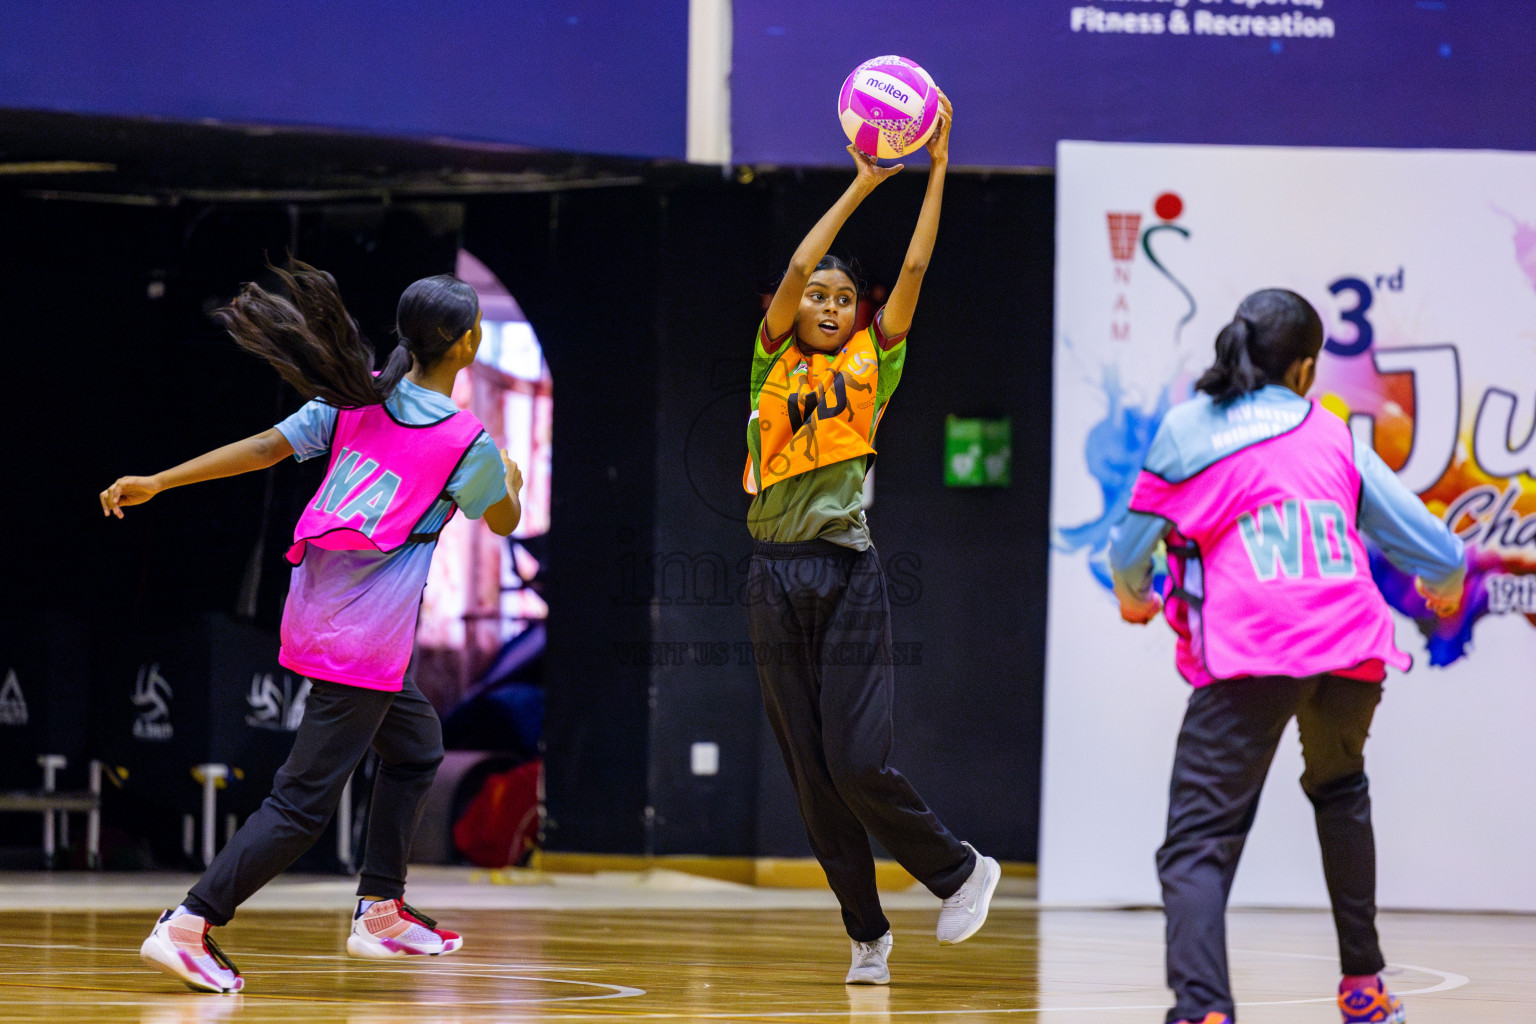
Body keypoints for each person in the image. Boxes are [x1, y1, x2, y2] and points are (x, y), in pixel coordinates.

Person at [100, 261, 523, 994]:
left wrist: (161, 480)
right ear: (468, 342)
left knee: (417, 746)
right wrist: (509, 476)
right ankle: (189, 924)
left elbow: (265, 448)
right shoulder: (464, 440)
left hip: (320, 616)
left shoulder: (357, 398)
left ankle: (382, 909)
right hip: (363, 642)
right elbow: (506, 519)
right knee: (301, 806)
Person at [1109, 289, 1465, 1024]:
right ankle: (1363, 990)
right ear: (1306, 370)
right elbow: (1435, 546)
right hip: (1349, 647)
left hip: (1256, 648)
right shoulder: (1330, 432)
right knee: (1341, 792)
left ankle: (1204, 1009)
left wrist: (1133, 594)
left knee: (1199, 841)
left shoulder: (1188, 428)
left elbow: (1130, 548)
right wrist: (1446, 585)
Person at [743, 91, 999, 987]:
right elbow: (798, 261)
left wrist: (933, 171)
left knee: (856, 762)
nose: (824, 299)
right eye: (815, 292)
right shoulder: (773, 359)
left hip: (845, 571)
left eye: (841, 296)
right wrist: (860, 184)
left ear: (858, 315)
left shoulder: (872, 362)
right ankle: (867, 934)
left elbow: (918, 266)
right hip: (771, 575)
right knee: (813, 783)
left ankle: (962, 871)